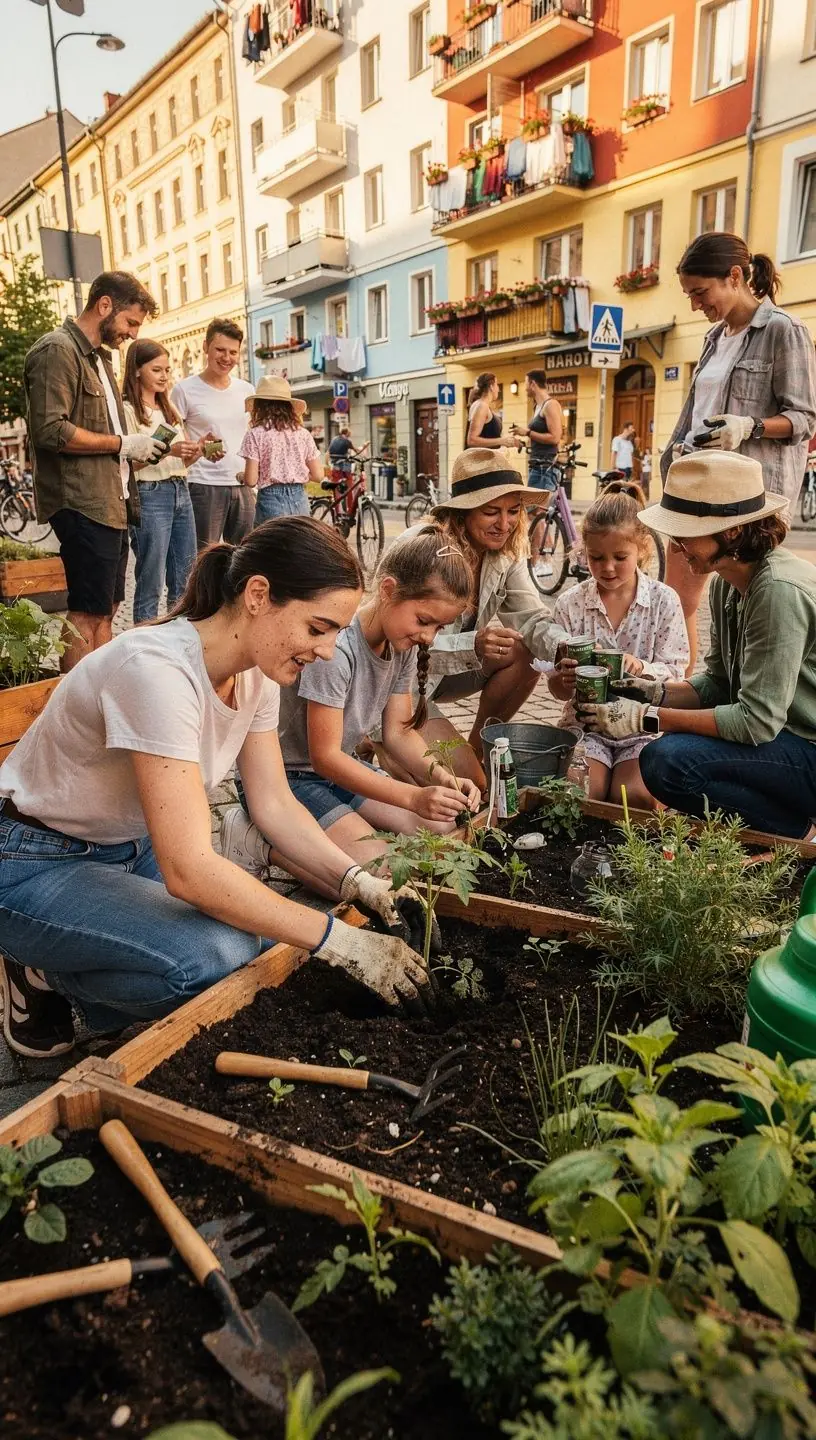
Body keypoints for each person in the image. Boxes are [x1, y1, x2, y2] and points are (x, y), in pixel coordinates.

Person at [0, 517, 427, 1061]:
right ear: (257, 595)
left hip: (129, 849)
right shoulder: (155, 671)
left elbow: (275, 804)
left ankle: (83, 953)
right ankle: (45, 974)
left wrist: (358, 882)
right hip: (34, 862)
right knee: (214, 957)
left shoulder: (255, 673)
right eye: (318, 628)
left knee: (262, 944)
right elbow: (189, 870)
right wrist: (338, 940)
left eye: (337, 634)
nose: (325, 651)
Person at [580, 451, 816, 840]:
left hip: (805, 746)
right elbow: (720, 685)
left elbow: (754, 721)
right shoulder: (727, 581)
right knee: (671, 752)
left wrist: (645, 717)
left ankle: (800, 834)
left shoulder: (777, 591)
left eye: (685, 533)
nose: (675, 547)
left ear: (732, 532)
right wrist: (653, 691)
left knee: (669, 760)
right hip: (785, 740)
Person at [251, 528, 482, 879]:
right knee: (379, 869)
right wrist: (412, 797)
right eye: (424, 620)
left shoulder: (400, 644)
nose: (428, 636)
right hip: (290, 778)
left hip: (341, 774)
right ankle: (257, 841)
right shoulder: (337, 651)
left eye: (440, 627)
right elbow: (324, 757)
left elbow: (398, 735)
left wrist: (443, 779)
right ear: (388, 591)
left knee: (444, 828)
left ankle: (335, 831)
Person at [662, 232, 816, 672]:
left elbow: (805, 419)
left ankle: (752, 709)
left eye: (700, 292)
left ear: (734, 277)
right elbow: (696, 411)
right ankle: (677, 698)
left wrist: (749, 426)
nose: (694, 304)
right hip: (696, 489)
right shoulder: (714, 337)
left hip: (749, 502)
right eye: (689, 294)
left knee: (749, 610)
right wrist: (675, 452)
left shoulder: (784, 331)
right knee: (676, 606)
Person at [377, 448, 566, 790]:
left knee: (523, 650)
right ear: (462, 513)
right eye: (491, 511)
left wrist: (564, 648)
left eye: (513, 512)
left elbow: (532, 619)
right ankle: (375, 738)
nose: (505, 524)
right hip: (398, 687)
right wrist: (472, 644)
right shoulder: (423, 548)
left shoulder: (504, 552)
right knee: (467, 787)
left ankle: (477, 748)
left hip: (444, 673)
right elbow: (393, 641)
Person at [24, 270, 165, 670]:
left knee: (107, 608)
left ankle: (99, 702)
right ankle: (75, 717)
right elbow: (51, 430)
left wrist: (135, 451)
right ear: (105, 306)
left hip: (111, 500)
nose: (132, 334)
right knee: (87, 612)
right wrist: (123, 444)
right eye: (130, 322)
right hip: (83, 503)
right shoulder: (58, 350)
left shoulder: (100, 359)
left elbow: (106, 436)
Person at [547, 481, 688, 808]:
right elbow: (555, 688)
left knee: (633, 799)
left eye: (620, 557)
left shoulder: (663, 601)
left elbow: (677, 674)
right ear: (583, 551)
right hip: (586, 729)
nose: (607, 567)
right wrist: (563, 680)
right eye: (596, 557)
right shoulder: (570, 604)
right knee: (578, 797)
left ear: (644, 549)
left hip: (641, 727)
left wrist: (641, 668)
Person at [123, 340, 202, 622]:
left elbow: (181, 462)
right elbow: (127, 464)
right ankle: (143, 646)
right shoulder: (128, 411)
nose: (164, 375)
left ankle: (177, 640)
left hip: (180, 489)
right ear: (136, 370)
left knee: (185, 576)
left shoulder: (169, 410)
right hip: (149, 493)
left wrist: (196, 450)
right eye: (156, 369)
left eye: (167, 369)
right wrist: (168, 449)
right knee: (151, 578)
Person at [171, 319, 255, 549]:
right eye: (220, 350)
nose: (226, 358)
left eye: (233, 352)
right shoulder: (184, 390)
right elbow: (174, 441)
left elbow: (250, 435)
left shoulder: (247, 390)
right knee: (202, 557)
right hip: (203, 484)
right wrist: (202, 448)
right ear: (205, 347)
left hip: (242, 484)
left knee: (243, 557)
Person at [237, 376, 324, 522]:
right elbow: (318, 475)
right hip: (300, 499)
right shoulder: (303, 434)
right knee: (300, 544)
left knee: (270, 544)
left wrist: (242, 476)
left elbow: (251, 480)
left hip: (270, 500)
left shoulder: (255, 434)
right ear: (289, 407)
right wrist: (294, 474)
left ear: (259, 406)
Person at [510, 371, 564, 491]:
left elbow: (555, 437)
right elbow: (538, 437)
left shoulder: (550, 405)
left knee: (536, 508)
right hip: (537, 465)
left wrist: (528, 433)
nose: (525, 389)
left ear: (533, 384)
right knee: (533, 507)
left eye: (526, 384)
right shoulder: (537, 406)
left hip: (545, 468)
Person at [466, 373, 524, 453]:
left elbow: (488, 435)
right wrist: (501, 441)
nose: (498, 389)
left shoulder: (481, 405)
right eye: (496, 384)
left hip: (489, 460)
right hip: (484, 462)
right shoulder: (482, 406)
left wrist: (506, 441)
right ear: (491, 387)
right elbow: (472, 440)